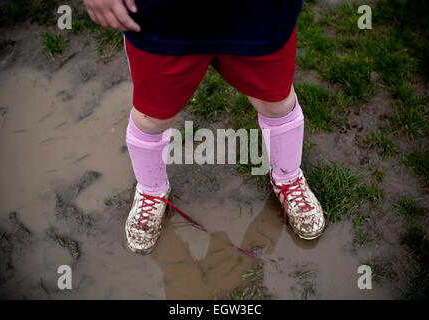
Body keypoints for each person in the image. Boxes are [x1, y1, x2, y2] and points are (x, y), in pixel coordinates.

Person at [83, 0, 326, 254]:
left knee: (276, 102)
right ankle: (151, 190)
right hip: (162, 15)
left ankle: (288, 178)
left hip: (258, 11)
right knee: (152, 116)